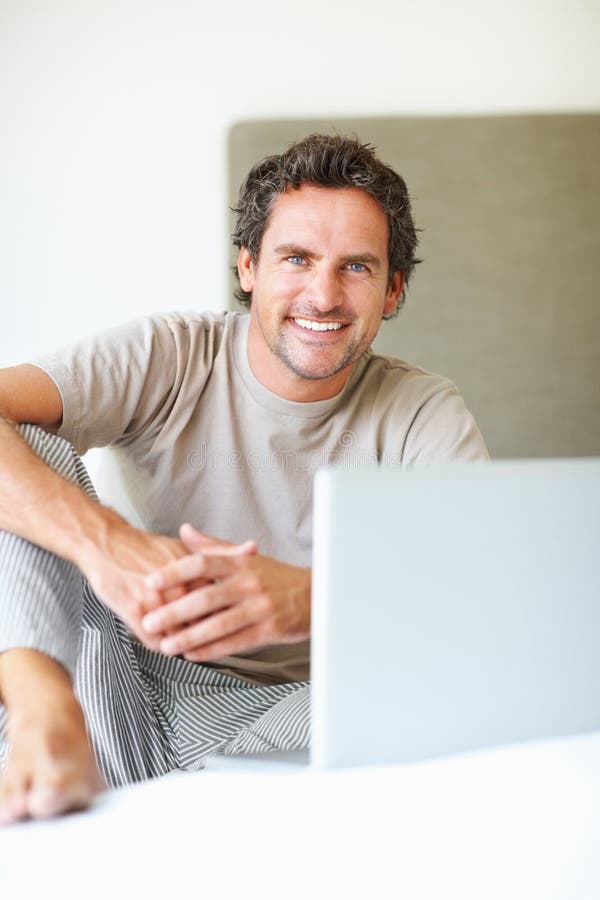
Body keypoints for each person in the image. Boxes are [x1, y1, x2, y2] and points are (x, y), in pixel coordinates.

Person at [0, 133, 488, 824]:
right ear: (250, 265)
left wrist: (318, 600)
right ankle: (39, 714)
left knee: (452, 699)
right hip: (122, 682)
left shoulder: (423, 413)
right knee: (25, 444)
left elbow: (486, 602)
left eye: (356, 267)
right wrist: (109, 546)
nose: (323, 293)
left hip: (294, 713)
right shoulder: (171, 355)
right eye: (297, 258)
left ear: (392, 290)